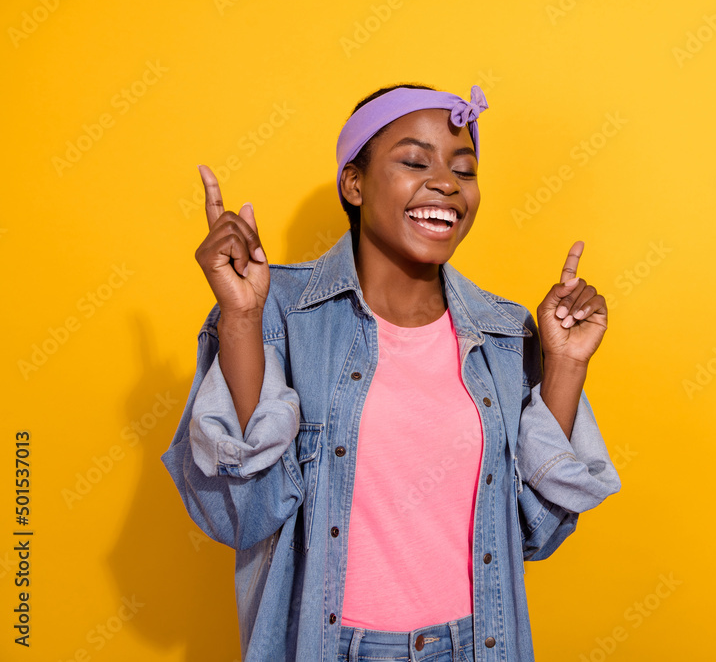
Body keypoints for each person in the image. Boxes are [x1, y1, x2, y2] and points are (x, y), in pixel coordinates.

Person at [161, 82, 621, 662]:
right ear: (354, 183)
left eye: (464, 169)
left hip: (478, 646)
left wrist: (567, 365)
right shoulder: (276, 312)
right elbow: (240, 512)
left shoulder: (505, 333)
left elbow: (535, 532)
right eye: (414, 160)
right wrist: (242, 316)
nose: (447, 184)